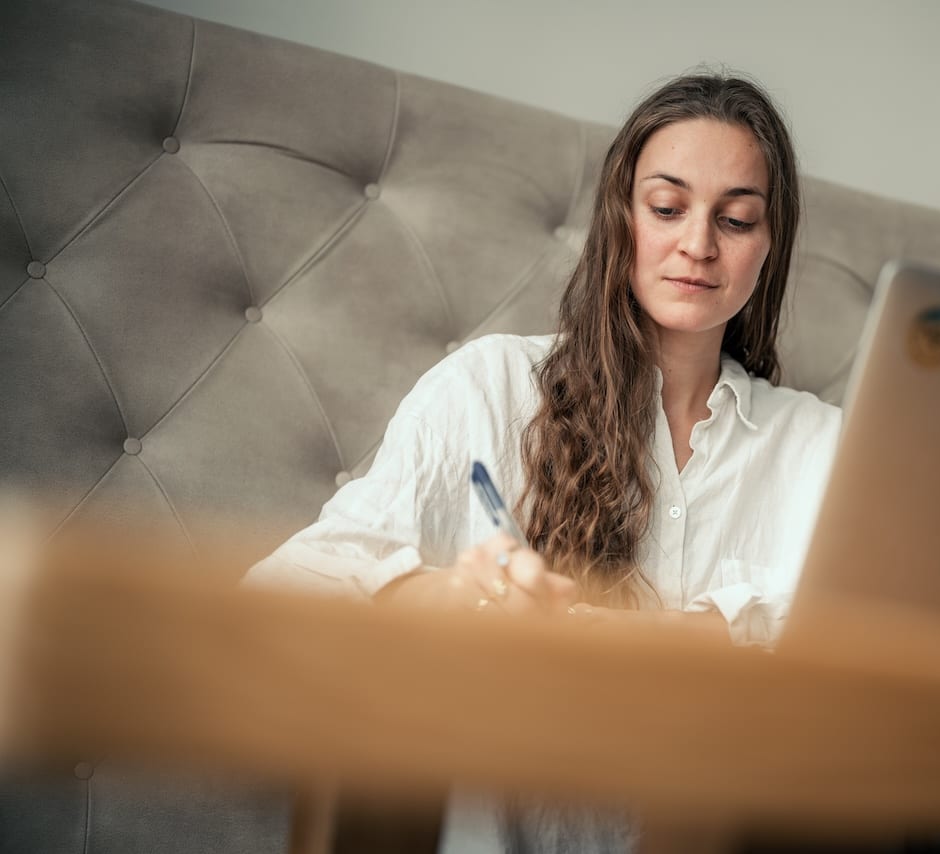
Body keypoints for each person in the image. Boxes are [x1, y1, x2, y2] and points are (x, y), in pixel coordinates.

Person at [245, 71, 842, 851]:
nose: (697, 244)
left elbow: (894, 639)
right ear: (620, 219)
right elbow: (280, 594)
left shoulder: (820, 445)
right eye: (667, 209)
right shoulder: (489, 388)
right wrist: (458, 600)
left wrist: (682, 638)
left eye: (734, 220)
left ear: (770, 245)